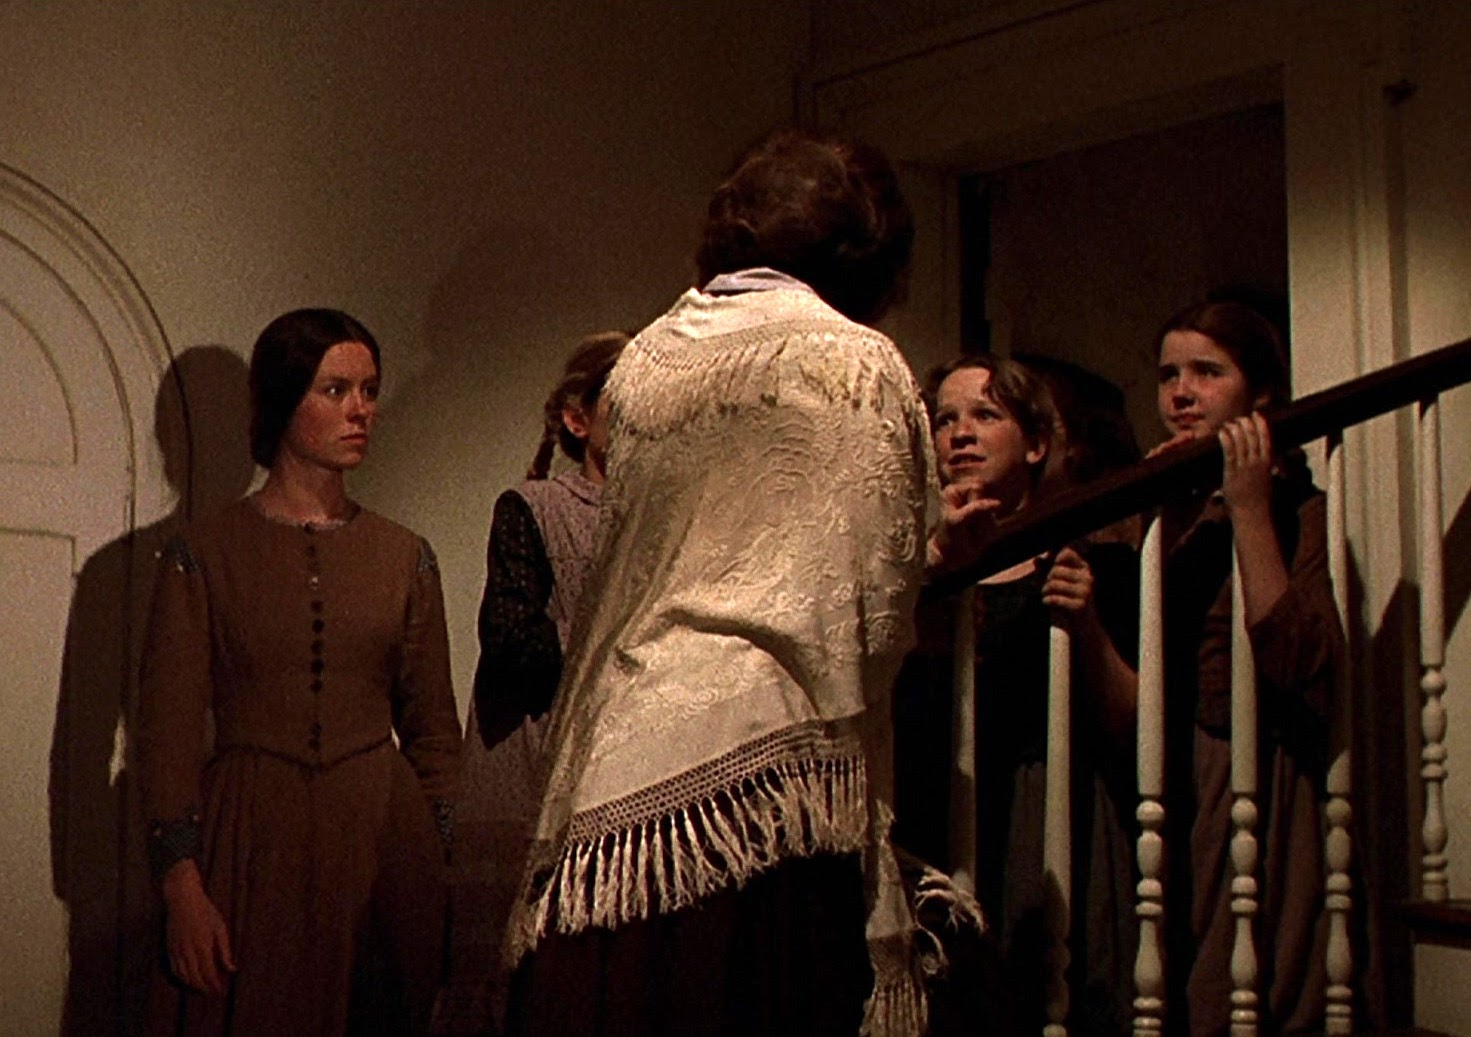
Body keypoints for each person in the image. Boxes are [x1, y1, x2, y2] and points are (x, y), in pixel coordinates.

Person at [503, 128, 931, 1037]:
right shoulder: (855, 361)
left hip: (615, 767)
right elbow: (876, 597)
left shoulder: (647, 360)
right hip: (763, 789)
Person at [136, 308, 462, 1037]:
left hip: (383, 845)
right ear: (284, 400)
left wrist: (442, 873)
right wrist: (182, 886)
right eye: (335, 390)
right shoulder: (203, 553)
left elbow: (434, 732)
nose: (360, 410)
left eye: (369, 391)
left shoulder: (405, 555)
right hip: (253, 842)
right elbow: (167, 735)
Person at [893, 353, 1139, 1036]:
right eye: (945, 418)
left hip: (1042, 804)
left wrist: (1086, 624)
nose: (960, 434)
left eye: (985, 414)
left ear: (1035, 443)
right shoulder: (910, 563)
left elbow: (1128, 720)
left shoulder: (1089, 556)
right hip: (934, 802)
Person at [1150, 300, 1341, 1036]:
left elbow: (1299, 658)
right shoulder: (1163, 499)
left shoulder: (1296, 505)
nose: (1181, 393)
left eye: (1207, 372)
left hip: (1258, 761)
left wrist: (1251, 507)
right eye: (1168, 375)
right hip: (1173, 765)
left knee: (1248, 982)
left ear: (1259, 393)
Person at [435, 330, 628, 1036]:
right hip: (535, 765)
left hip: (620, 771)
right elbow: (514, 640)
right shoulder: (535, 507)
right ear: (578, 418)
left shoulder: (663, 518)